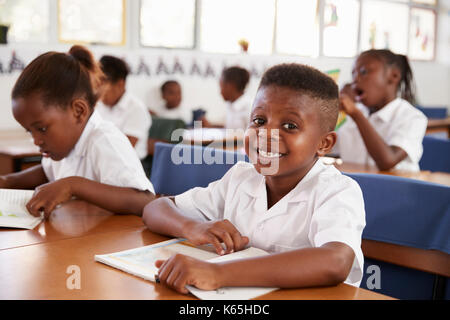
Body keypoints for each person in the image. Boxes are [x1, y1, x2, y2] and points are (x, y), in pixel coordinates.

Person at [142, 63, 366, 294]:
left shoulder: (337, 191)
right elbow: (156, 208)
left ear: (324, 143)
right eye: (259, 121)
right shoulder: (240, 178)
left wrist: (218, 273)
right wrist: (194, 227)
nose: (266, 135)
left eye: (290, 126)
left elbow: (336, 261)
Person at [0, 45, 155, 218]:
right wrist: (8, 181)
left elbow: (145, 201)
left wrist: (72, 185)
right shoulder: (62, 147)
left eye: (42, 129)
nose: (36, 140)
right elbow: (47, 172)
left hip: (115, 241)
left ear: (78, 111)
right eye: (30, 132)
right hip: (78, 238)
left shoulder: (103, 140)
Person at [335, 49, 427, 171]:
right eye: (353, 74)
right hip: (357, 186)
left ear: (393, 76)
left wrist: (356, 114)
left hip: (394, 188)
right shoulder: (351, 113)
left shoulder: (412, 117)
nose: (355, 80)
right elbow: (323, 147)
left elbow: (388, 161)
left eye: (364, 72)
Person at [96, 55, 151, 160]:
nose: (98, 92)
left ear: (120, 84)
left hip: (131, 166)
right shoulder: (99, 106)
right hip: (104, 161)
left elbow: (124, 149)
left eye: (102, 86)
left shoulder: (136, 109)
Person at [201, 66, 252, 130]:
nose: (220, 92)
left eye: (222, 87)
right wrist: (209, 125)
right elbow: (228, 128)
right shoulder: (230, 105)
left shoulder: (249, 108)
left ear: (231, 86)